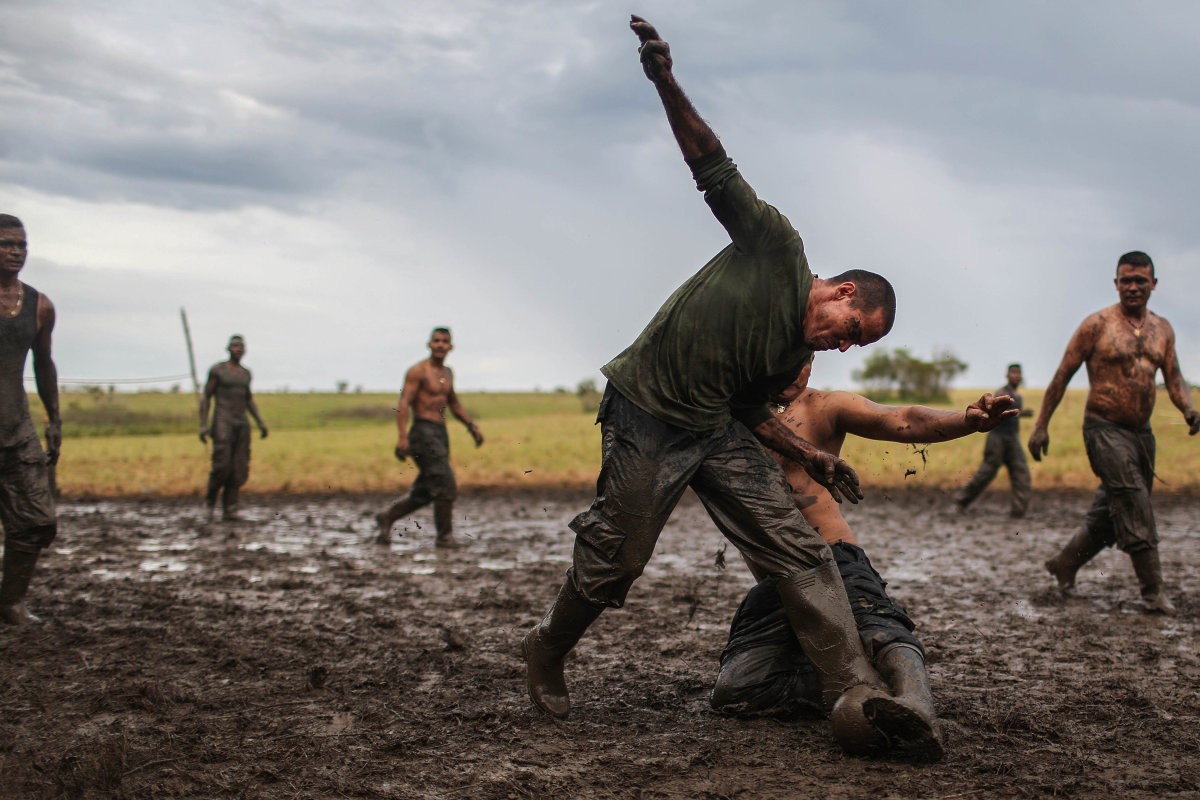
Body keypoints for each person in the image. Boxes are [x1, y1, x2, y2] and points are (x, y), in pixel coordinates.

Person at [523, 16, 925, 756]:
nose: (842, 343)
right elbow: (709, 162)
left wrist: (818, 460)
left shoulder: (784, 361)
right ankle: (548, 647)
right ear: (836, 288)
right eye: (849, 326)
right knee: (617, 559)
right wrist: (665, 80)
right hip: (647, 411)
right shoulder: (775, 245)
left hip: (714, 429)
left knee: (801, 552)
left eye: (855, 343)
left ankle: (856, 690)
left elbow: (748, 411)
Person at [710, 356, 1016, 760]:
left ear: (812, 361)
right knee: (734, 690)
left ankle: (917, 707)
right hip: (774, 582)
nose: (791, 373)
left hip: (832, 559)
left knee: (881, 629)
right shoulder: (728, 415)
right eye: (781, 361)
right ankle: (861, 685)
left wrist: (966, 420)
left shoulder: (824, 407)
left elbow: (900, 418)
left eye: (801, 363)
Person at [1030, 251, 1199, 615]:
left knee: (1111, 511)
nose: (1133, 287)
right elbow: (1062, 375)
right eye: (1126, 280)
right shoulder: (1097, 325)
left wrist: (1187, 408)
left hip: (1142, 434)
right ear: (1116, 283)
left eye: (1140, 280)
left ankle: (1064, 563)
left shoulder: (1163, 329)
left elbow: (1174, 377)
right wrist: (1041, 425)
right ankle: (1152, 591)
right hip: (1103, 429)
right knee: (1134, 500)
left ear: (1154, 284)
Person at [0, 214, 61, 625]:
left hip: (15, 428)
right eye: (6, 243)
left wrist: (54, 417)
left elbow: (43, 364)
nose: (16, 251)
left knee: (38, 520)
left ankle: (9, 603)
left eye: (22, 244)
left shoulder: (39, 305)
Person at [374, 327, 483, 549]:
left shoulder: (448, 373)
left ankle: (386, 517)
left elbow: (453, 403)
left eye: (445, 341)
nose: (440, 345)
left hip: (440, 433)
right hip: (422, 432)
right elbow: (404, 402)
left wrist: (471, 426)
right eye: (436, 341)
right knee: (445, 483)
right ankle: (445, 537)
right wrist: (402, 437)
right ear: (429, 344)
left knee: (426, 490)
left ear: (450, 346)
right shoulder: (418, 372)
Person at [199, 335, 268, 522]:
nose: (238, 349)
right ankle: (209, 504)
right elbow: (206, 397)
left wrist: (260, 423)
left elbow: (248, 399)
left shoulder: (246, 373)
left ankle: (230, 508)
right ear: (228, 348)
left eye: (241, 346)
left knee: (238, 468)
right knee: (221, 466)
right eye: (235, 346)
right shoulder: (218, 370)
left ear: (245, 350)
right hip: (222, 421)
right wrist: (203, 424)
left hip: (241, 423)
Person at [953, 363, 1033, 517]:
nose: (1016, 376)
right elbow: (996, 413)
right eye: (1013, 373)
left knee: (1021, 471)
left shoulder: (1018, 397)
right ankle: (961, 500)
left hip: (1012, 438)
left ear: (1021, 376)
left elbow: (1012, 414)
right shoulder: (1001, 393)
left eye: (1018, 373)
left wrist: (1022, 414)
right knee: (986, 472)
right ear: (1007, 375)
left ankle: (1018, 511)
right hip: (997, 438)